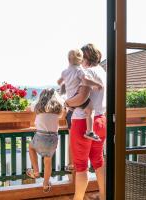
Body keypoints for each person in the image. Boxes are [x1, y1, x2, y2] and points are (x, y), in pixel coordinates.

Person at [65, 44, 106, 200]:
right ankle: (104, 196)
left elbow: (81, 98)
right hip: (101, 120)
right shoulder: (102, 72)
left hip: (83, 122)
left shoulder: (87, 72)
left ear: (86, 58)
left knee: (81, 166)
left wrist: (67, 103)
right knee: (98, 161)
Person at [57, 49, 102, 142]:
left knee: (71, 112)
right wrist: (97, 84)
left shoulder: (64, 72)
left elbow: (59, 82)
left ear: (68, 59)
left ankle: (69, 108)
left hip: (71, 100)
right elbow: (85, 81)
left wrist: (65, 83)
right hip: (79, 98)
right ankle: (89, 131)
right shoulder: (79, 71)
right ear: (81, 60)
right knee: (90, 111)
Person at [26, 88, 64, 193]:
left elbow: (27, 109)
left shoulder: (37, 106)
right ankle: (46, 184)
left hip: (40, 136)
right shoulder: (58, 108)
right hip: (53, 138)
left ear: (41, 96)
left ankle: (36, 171)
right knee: (48, 161)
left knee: (31, 147)